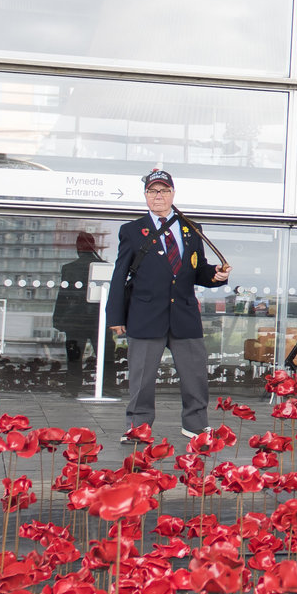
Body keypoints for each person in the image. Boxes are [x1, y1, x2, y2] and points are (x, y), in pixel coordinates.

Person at [105, 169, 228, 439]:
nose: (158, 196)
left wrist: (215, 275)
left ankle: (195, 424)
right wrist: (115, 317)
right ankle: (138, 426)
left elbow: (198, 270)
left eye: (163, 190)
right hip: (146, 315)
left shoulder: (191, 228)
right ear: (146, 195)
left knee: (195, 375)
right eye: (152, 191)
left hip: (184, 314)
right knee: (141, 378)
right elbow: (119, 274)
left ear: (173, 193)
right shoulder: (132, 230)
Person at [54, 232, 103, 394]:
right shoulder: (104, 266)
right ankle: (107, 388)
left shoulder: (69, 268)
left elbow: (63, 296)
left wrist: (58, 318)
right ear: (93, 246)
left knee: (74, 357)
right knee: (104, 357)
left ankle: (73, 388)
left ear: (78, 247)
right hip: (97, 319)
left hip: (76, 319)